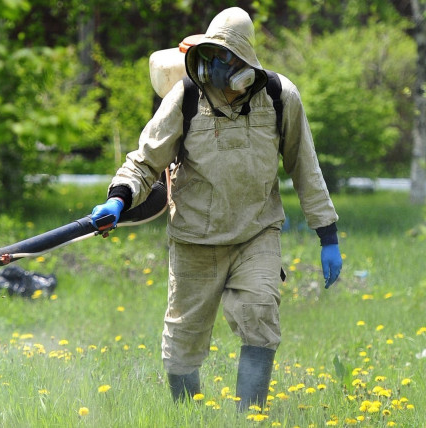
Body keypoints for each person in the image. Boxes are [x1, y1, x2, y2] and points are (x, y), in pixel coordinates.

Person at [90, 7, 342, 410]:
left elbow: (304, 166)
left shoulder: (279, 96)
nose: (216, 67)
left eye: (226, 57)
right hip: (195, 237)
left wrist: (326, 233)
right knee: (183, 341)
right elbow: (146, 159)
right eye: (211, 56)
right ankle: (188, 416)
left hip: (256, 232)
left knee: (260, 313)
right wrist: (118, 198)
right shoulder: (187, 96)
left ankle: (249, 416)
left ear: (244, 61)